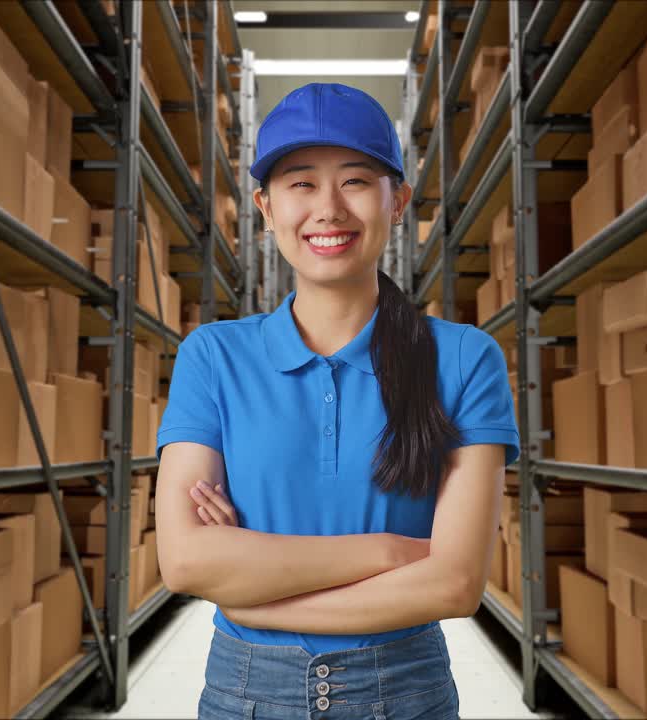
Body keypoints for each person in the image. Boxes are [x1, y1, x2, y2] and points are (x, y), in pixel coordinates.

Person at [155, 82, 519, 720]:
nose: (328, 209)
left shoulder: (464, 358)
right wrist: (390, 552)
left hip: (404, 695)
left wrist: (253, 591)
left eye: (355, 181)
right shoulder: (213, 356)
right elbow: (186, 561)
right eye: (301, 184)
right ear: (266, 208)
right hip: (244, 697)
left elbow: (456, 584)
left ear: (396, 201)